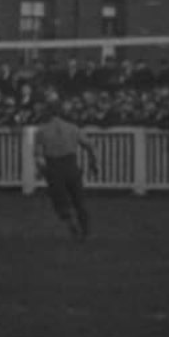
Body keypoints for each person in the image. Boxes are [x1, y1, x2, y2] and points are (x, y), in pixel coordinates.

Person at [34, 100, 99, 241]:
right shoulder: (73, 128)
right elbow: (89, 145)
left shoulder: (42, 131)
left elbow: (39, 156)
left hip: (54, 167)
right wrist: (93, 162)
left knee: (60, 202)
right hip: (71, 165)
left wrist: (40, 170)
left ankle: (71, 224)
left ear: (48, 113)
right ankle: (86, 232)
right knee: (79, 201)